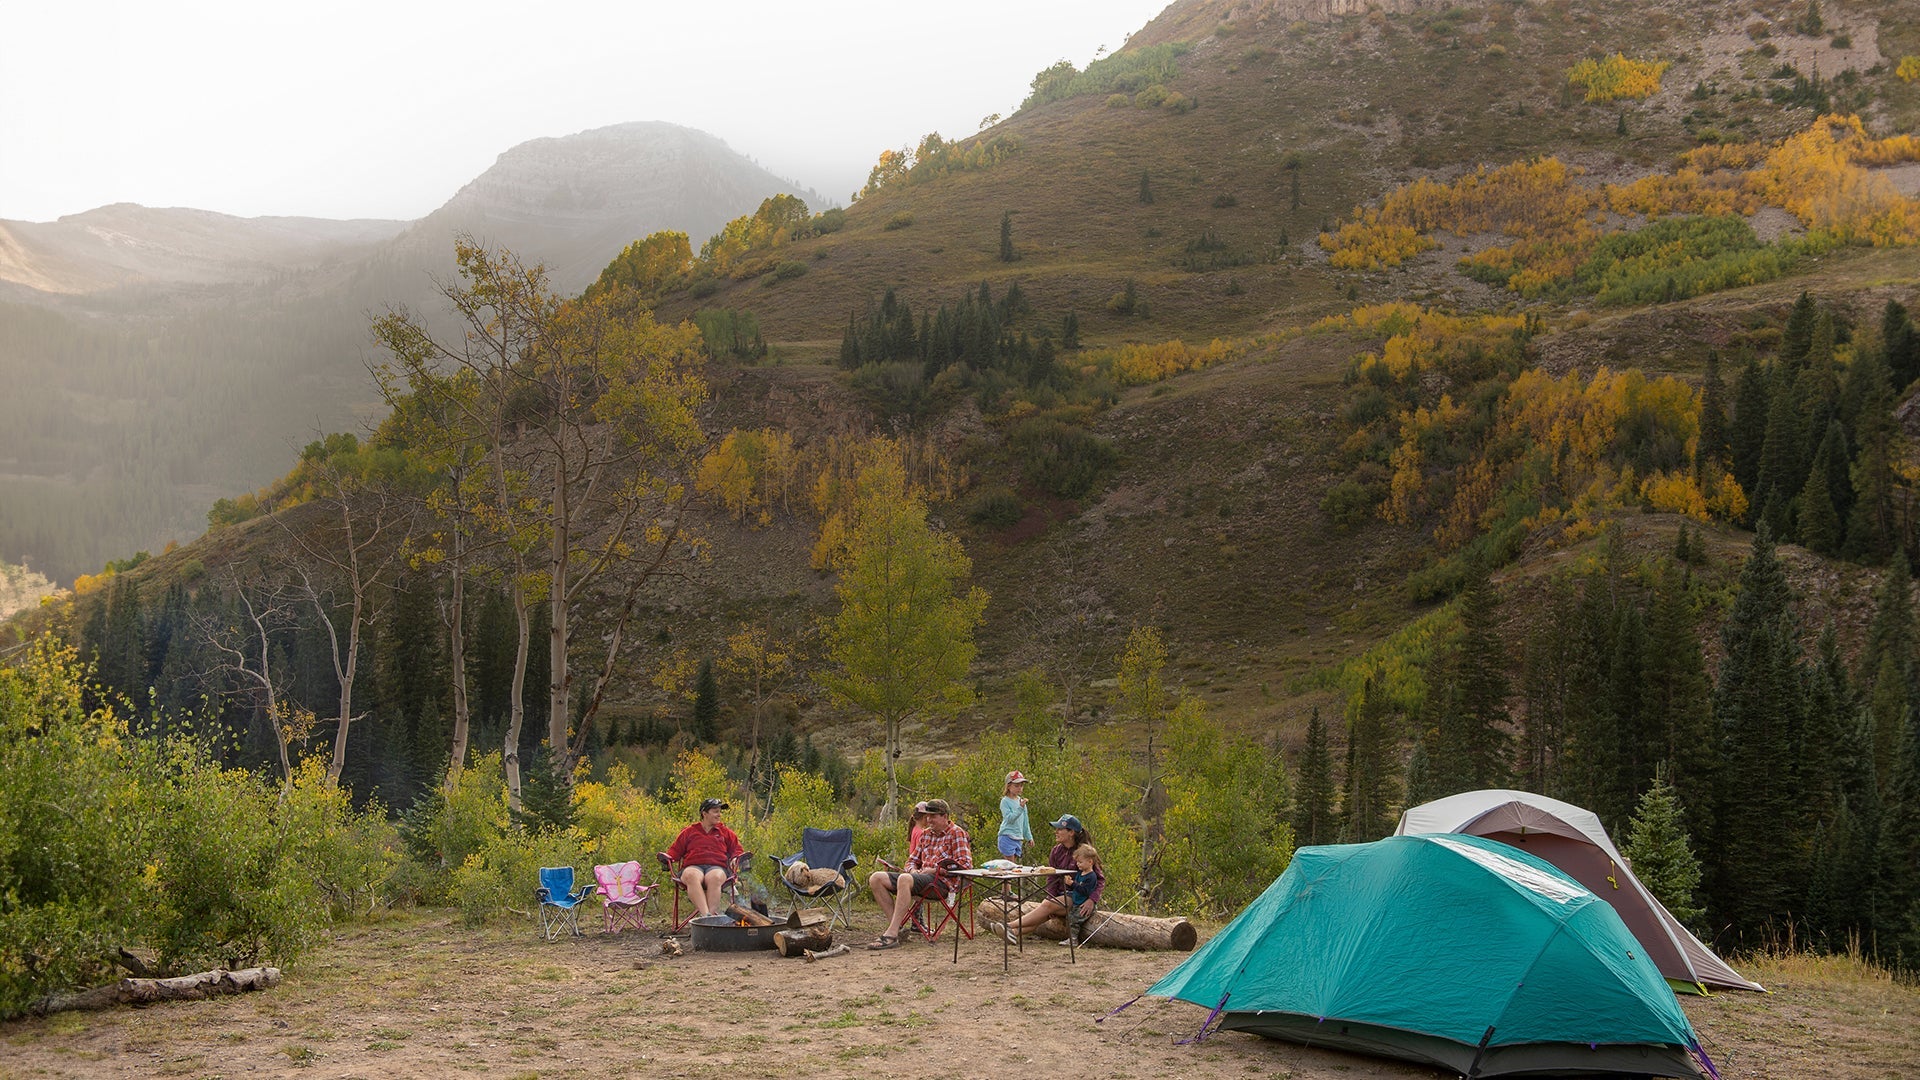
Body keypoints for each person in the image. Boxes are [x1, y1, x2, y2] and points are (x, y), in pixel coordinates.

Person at [866, 798, 972, 949]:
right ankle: (898, 929)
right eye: (927, 816)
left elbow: (965, 866)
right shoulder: (925, 834)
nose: (929, 820)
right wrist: (913, 871)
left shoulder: (957, 833)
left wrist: (936, 870)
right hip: (921, 879)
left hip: (942, 884)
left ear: (945, 816)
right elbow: (911, 861)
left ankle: (891, 935)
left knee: (904, 879)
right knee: (876, 878)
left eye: (933, 816)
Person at [1004, 813, 1098, 943]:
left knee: (1047, 905)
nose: (1056, 832)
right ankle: (1013, 933)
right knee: (1046, 909)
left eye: (1060, 829)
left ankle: (1008, 926)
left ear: (1071, 832)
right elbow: (1051, 878)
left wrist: (1092, 900)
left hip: (1077, 898)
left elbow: (1099, 879)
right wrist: (1051, 898)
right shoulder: (1056, 851)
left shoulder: (1084, 852)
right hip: (1062, 896)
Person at [664, 797, 744, 919]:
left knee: (715, 877)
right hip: (693, 866)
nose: (719, 815)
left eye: (719, 811)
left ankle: (710, 917)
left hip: (717, 867)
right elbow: (675, 851)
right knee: (692, 875)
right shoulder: (689, 832)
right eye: (715, 811)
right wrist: (666, 859)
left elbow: (737, 850)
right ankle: (706, 916)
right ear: (704, 813)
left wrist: (735, 858)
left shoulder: (726, 832)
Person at [1059, 843, 1103, 946]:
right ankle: (1070, 937)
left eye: (1080, 862)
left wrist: (1072, 884)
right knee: (1069, 917)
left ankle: (1073, 939)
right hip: (1077, 902)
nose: (1078, 864)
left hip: (1083, 904)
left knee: (1073, 919)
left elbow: (1085, 890)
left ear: (1090, 862)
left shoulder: (1091, 876)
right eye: (1077, 862)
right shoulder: (1080, 873)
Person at [997, 771, 1033, 861]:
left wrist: (1029, 837)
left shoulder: (1021, 801)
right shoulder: (1005, 801)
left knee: (1014, 867)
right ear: (1009, 786)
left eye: (1021, 786)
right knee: (1011, 865)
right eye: (1016, 786)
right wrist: (1020, 808)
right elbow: (1009, 819)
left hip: (1018, 837)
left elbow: (1025, 822)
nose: (1019, 788)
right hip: (1007, 836)